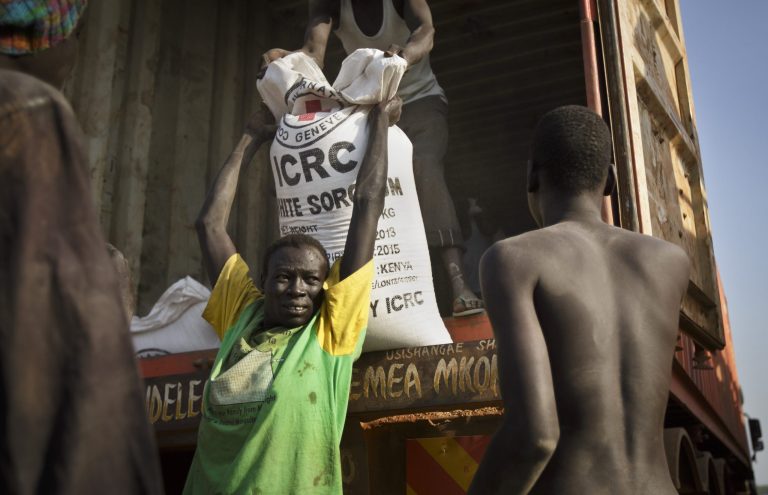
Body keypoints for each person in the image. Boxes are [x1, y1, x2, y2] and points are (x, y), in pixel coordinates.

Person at [184, 94, 401, 493]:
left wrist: (380, 124)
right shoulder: (241, 316)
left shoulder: (329, 332)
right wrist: (251, 136)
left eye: (311, 280)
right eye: (284, 278)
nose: (298, 290)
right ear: (262, 280)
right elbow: (209, 225)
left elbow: (368, 202)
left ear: (326, 288)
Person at [468, 106, 690, 495]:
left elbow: (533, 436)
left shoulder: (513, 259)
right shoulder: (670, 262)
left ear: (532, 175)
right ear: (611, 181)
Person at [0, 1, 164, 493]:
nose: (75, 52)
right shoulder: (28, 109)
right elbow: (51, 311)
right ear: (47, 35)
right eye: (77, 33)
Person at [264, 0, 484, 317]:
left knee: (424, 167)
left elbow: (426, 30)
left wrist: (404, 58)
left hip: (420, 99)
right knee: (359, 185)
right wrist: (282, 60)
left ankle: (459, 284)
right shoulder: (328, 4)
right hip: (370, 109)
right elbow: (312, 54)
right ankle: (373, 297)